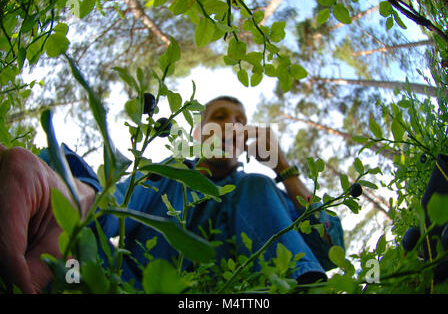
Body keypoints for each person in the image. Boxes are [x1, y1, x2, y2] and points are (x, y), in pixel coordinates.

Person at [0, 95, 344, 293]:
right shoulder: (168, 177)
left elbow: (331, 248)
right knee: (79, 255)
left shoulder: (263, 194)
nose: (230, 125)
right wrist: (67, 197)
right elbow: (111, 202)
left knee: (257, 184)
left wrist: (283, 167)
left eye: (240, 120)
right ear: (199, 132)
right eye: (219, 117)